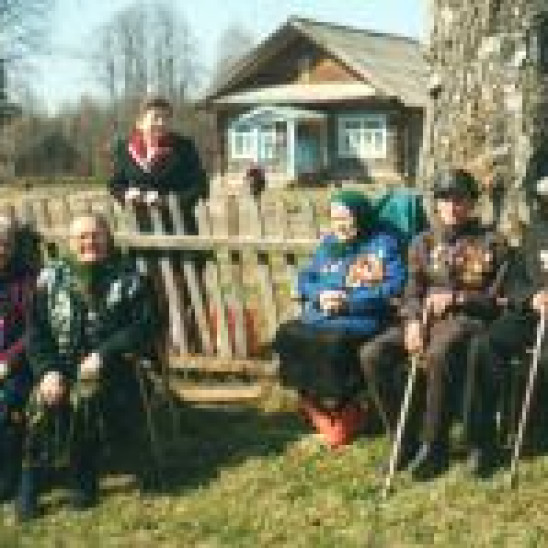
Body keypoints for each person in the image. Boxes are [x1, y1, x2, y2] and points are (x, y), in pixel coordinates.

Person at [360, 168, 509, 479]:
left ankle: (434, 446)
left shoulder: (492, 242)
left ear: (472, 203)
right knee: (373, 354)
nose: (452, 207)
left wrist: (458, 298)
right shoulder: (423, 242)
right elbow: (411, 291)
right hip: (425, 320)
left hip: (468, 320)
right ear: (436, 204)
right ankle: (403, 439)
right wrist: (412, 321)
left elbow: (496, 300)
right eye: (444, 200)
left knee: (439, 353)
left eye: (460, 200)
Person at [17, 214, 158, 521]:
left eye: (96, 235)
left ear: (108, 238)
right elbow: (35, 333)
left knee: (85, 395)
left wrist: (103, 355)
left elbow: (144, 327)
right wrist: (48, 370)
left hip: (113, 366)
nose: (89, 242)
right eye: (81, 237)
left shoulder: (131, 277)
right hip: (61, 363)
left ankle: (82, 474)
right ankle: (31, 479)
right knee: (41, 400)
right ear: (70, 243)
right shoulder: (50, 278)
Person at [273, 190, 405, 448]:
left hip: (362, 316)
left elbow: (394, 287)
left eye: (346, 218)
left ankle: (344, 411)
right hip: (323, 313)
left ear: (361, 216)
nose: (339, 225)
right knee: (288, 334)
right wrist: (320, 295)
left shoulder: (382, 244)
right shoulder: (329, 244)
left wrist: (350, 302)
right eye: (335, 219)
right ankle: (315, 406)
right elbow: (306, 278)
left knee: (332, 344)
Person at [109, 95, 208, 235]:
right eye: (155, 118)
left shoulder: (184, 147)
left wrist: (166, 201)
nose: (162, 123)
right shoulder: (125, 149)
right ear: (140, 123)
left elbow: (200, 185)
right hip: (140, 227)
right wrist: (127, 195)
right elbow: (115, 185)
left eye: (166, 118)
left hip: (179, 228)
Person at [0, 217, 35, 502]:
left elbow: (34, 330)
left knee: (6, 404)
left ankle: (7, 477)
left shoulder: (26, 280)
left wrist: (8, 361)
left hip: (18, 365)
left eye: (4, 243)